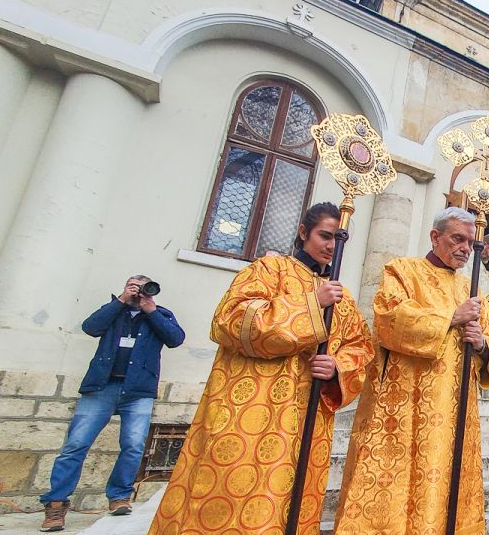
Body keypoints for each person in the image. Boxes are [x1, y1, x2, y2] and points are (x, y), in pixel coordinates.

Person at [148, 203, 373, 535]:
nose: (331, 246)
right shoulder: (269, 269)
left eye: (338, 240)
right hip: (252, 410)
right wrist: (312, 304)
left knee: (289, 501)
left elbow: (360, 347)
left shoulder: (343, 297)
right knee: (234, 497)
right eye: (324, 236)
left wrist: (336, 367)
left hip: (306, 421)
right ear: (303, 232)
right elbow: (232, 320)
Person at [334, 207, 489, 534]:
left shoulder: (472, 292)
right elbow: (389, 318)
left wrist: (482, 343)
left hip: (456, 407)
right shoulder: (402, 271)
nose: (465, 249)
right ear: (435, 236)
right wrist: (452, 318)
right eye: (457, 239)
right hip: (407, 402)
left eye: (470, 243)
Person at [40, 275, 184, 532]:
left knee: (133, 446)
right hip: (101, 387)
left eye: (144, 288)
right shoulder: (114, 309)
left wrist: (151, 311)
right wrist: (120, 301)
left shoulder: (160, 314)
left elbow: (175, 339)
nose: (139, 292)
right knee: (75, 445)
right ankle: (56, 504)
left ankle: (119, 497)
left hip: (138, 391)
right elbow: (90, 327)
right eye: (134, 286)